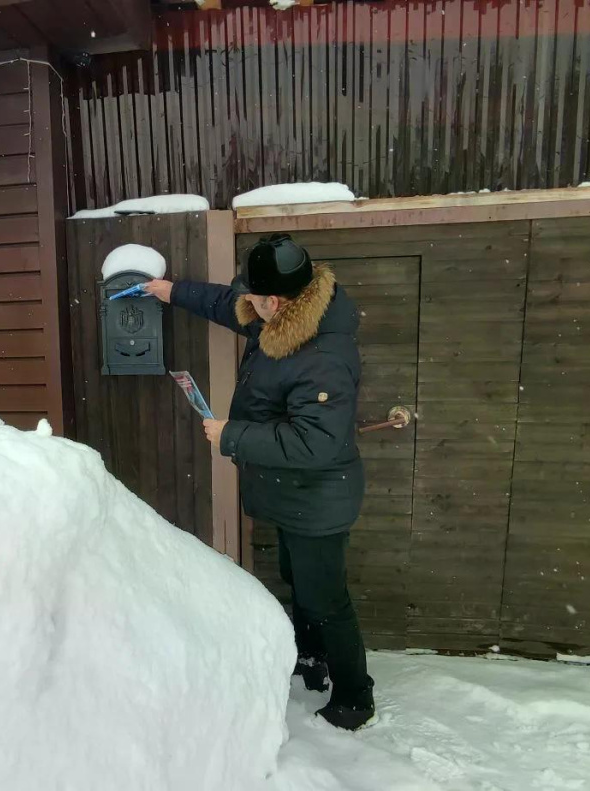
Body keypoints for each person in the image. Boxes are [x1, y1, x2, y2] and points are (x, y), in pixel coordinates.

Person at [144, 233, 374, 731]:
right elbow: (228, 304)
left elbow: (317, 443)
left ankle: (355, 697)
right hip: (295, 493)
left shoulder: (323, 357)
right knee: (300, 581)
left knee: (326, 599)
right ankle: (311, 658)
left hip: (318, 498)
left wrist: (232, 435)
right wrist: (171, 291)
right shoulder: (285, 315)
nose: (245, 302)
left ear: (276, 301)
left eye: (254, 297)